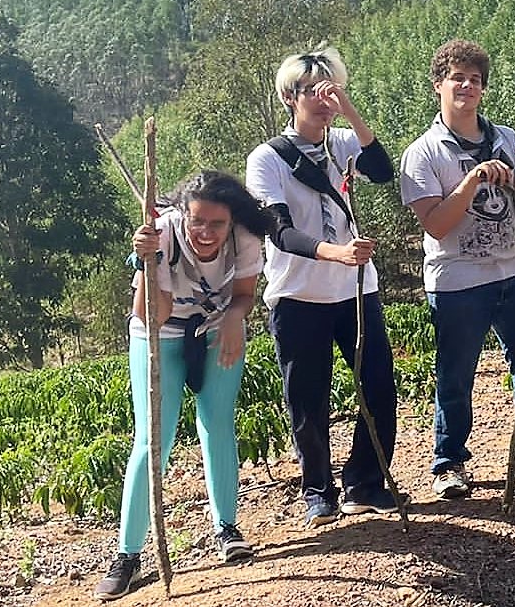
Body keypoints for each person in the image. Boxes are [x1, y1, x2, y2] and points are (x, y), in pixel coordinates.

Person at [400, 39, 515, 499]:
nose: (467, 86)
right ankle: (449, 462)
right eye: (457, 78)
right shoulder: (423, 154)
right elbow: (438, 225)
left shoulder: (506, 137)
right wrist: (472, 180)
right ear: (438, 86)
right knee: (456, 372)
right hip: (458, 279)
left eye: (475, 80)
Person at [245, 44, 401, 528]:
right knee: (307, 398)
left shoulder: (344, 145)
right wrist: (337, 253)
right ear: (290, 98)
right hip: (299, 295)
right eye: (310, 90)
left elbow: (381, 169)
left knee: (378, 386)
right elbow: (280, 230)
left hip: (356, 290)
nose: (321, 97)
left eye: (328, 88)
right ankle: (318, 490)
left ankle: (366, 482)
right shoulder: (267, 158)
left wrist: (349, 111)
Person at [95, 171, 268, 601]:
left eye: (216, 224)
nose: (205, 232)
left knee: (217, 423)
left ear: (231, 222)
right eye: (197, 222)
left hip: (216, 330)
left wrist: (233, 319)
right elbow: (149, 313)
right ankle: (128, 555)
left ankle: (227, 528)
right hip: (160, 334)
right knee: (154, 440)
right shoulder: (162, 233)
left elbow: (244, 293)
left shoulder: (244, 236)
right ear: (183, 216)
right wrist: (148, 263)